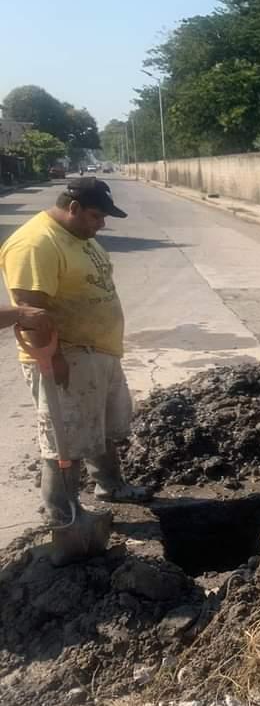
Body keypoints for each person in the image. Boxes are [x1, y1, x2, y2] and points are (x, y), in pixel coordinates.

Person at [0, 177, 151, 532]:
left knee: (101, 427)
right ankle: (64, 517)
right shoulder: (36, 243)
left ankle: (110, 485)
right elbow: (30, 311)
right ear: (73, 208)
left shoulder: (80, 235)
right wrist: (54, 360)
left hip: (99, 352)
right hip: (66, 357)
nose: (102, 224)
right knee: (64, 441)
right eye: (96, 216)